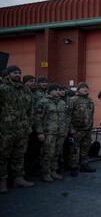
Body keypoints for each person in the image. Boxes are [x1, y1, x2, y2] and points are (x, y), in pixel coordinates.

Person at [0, 65, 35, 194]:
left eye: (19, 72)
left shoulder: (25, 90)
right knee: (3, 156)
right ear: (8, 74)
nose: (18, 74)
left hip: (22, 129)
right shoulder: (3, 89)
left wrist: (29, 124)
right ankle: (2, 181)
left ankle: (18, 178)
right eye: (15, 72)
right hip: (6, 129)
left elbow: (31, 109)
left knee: (19, 155)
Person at [34, 84, 67, 182]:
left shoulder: (62, 102)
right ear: (50, 91)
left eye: (59, 89)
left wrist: (65, 129)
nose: (58, 91)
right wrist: (40, 132)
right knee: (48, 153)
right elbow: (38, 118)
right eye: (56, 90)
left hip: (60, 132)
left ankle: (53, 171)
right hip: (49, 132)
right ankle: (46, 173)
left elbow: (66, 117)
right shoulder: (43, 102)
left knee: (57, 153)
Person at [69, 82, 96, 176]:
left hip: (87, 129)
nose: (85, 89)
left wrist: (91, 126)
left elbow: (91, 114)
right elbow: (68, 115)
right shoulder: (73, 100)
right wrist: (71, 128)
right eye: (82, 88)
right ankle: (73, 167)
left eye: (86, 88)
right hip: (77, 130)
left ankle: (84, 165)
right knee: (74, 149)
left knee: (85, 148)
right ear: (78, 89)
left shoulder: (90, 100)